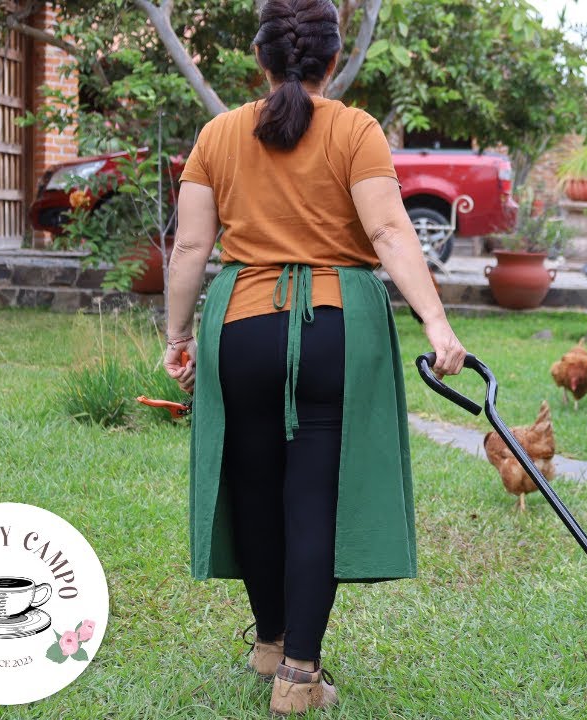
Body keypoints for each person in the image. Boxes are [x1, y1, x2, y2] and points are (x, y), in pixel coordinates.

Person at [162, 0, 466, 714]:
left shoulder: (218, 134)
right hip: (334, 330)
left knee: (256, 491)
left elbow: (191, 246)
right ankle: (297, 675)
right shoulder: (356, 130)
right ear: (332, 60)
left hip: (240, 328)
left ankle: (271, 642)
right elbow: (390, 232)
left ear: (260, 59)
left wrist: (177, 337)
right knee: (312, 498)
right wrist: (437, 323)